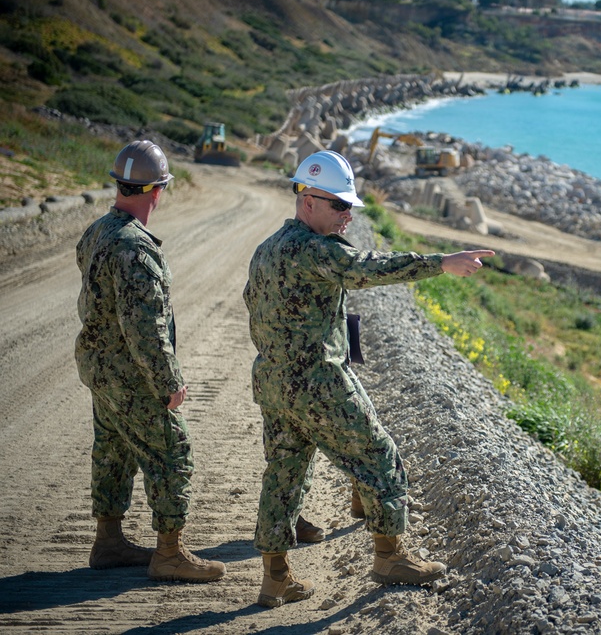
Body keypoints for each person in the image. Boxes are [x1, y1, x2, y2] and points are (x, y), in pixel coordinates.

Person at [244, 150, 493, 608]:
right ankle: (390, 557)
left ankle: (275, 578)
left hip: (273, 381)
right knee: (381, 457)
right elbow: (368, 269)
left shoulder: (268, 248)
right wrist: (441, 262)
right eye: (340, 206)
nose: (347, 215)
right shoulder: (316, 250)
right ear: (308, 200)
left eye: (350, 207)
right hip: (316, 382)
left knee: (283, 474)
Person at [75, 140, 226, 583]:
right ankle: (170, 553)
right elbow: (146, 329)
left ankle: (108, 542)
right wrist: (168, 382)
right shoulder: (135, 248)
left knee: (113, 448)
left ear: (120, 185)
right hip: (130, 374)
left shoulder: (99, 229)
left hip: (100, 367)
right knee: (172, 451)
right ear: (157, 190)